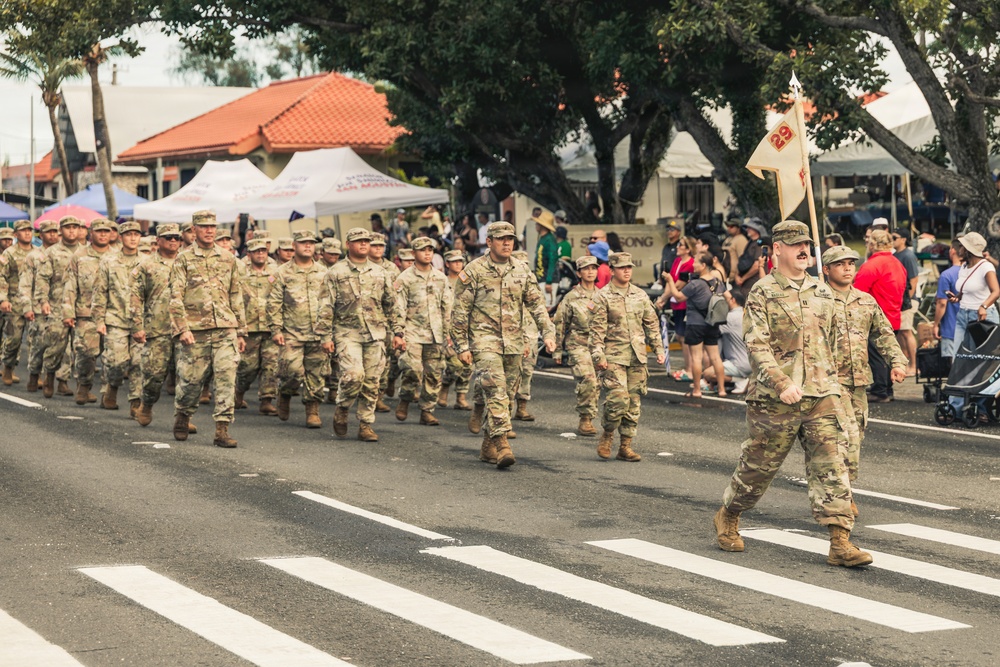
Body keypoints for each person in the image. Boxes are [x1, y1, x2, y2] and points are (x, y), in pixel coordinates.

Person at [713, 220, 871, 569]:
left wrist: (840, 387)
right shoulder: (762, 292)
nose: (803, 249)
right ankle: (730, 513)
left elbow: (833, 344)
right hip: (775, 399)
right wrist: (781, 383)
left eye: (806, 244)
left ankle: (840, 541)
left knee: (833, 465)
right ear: (777, 250)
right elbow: (756, 345)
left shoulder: (822, 292)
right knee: (759, 467)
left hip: (822, 394)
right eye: (795, 244)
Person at [451, 221, 556, 469]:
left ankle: (488, 446)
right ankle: (502, 446)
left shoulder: (521, 270)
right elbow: (459, 313)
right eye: (501, 239)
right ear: (489, 242)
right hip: (484, 342)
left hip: (514, 343)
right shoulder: (473, 271)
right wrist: (462, 346)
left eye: (510, 238)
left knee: (507, 397)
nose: (507, 243)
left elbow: (537, 305)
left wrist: (547, 333)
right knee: (496, 391)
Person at [823, 245, 906, 506]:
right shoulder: (817, 300)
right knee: (835, 440)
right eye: (840, 264)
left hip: (857, 383)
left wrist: (897, 362)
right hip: (827, 384)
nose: (848, 268)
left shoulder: (865, 301)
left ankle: (844, 490)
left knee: (854, 440)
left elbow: (882, 334)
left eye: (851, 263)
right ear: (826, 270)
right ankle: (838, 497)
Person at [168, 210, 247, 448]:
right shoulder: (183, 259)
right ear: (194, 230)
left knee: (226, 377)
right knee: (191, 382)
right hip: (195, 330)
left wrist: (241, 330)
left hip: (225, 328)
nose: (210, 230)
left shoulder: (228, 258)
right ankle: (183, 415)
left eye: (213, 226)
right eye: (204, 227)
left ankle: (222, 430)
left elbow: (236, 294)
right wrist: (182, 329)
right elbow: (175, 297)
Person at [324, 227, 404, 442]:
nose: (363, 244)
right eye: (358, 241)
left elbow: (392, 304)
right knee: (354, 375)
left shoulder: (381, 272)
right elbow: (326, 305)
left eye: (367, 241)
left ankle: (365, 424)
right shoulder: (336, 272)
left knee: (372, 381)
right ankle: (342, 407)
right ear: (348, 244)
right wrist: (325, 336)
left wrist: (398, 332)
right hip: (347, 333)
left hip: (376, 333)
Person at [590, 252, 666, 462]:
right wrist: (598, 354)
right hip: (613, 355)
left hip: (637, 356)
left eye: (629, 267)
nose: (626, 271)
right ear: (612, 270)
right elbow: (596, 330)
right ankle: (607, 434)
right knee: (618, 399)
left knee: (633, 402)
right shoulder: (602, 296)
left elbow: (651, 324)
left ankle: (625, 446)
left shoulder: (640, 295)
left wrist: (658, 350)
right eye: (622, 267)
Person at [268, 230, 332, 429]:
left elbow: (331, 302)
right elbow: (274, 303)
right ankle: (285, 394)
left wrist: (330, 332)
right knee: (292, 372)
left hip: (318, 333)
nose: (307, 246)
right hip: (291, 332)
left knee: (316, 374)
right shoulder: (282, 272)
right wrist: (276, 330)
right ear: (294, 246)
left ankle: (312, 410)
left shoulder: (324, 273)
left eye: (311, 243)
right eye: (303, 243)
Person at [394, 236, 452, 426]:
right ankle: (405, 397)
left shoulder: (440, 278)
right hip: (412, 331)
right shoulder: (405, 278)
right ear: (413, 253)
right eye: (422, 250)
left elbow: (447, 306)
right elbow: (399, 307)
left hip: (435, 333)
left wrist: (450, 332)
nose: (427, 253)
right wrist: (398, 332)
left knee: (434, 374)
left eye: (430, 250)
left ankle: (427, 410)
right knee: (412, 369)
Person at [131, 224, 183, 428]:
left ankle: (183, 416)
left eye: (176, 238)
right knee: (154, 376)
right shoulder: (146, 266)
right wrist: (137, 326)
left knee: (188, 377)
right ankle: (147, 404)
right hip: (157, 329)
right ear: (158, 241)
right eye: (168, 237)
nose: (173, 241)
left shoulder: (187, 262)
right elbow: (135, 297)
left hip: (184, 329)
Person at [946, 232, 1000, 419]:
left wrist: (983, 306)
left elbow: (996, 291)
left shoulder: (986, 267)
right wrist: (956, 297)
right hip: (964, 315)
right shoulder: (964, 267)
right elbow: (966, 290)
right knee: (959, 358)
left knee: (985, 361)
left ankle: (981, 405)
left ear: (969, 250)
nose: (958, 248)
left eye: (961, 246)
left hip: (983, 318)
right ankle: (956, 406)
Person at [92, 221, 144, 415]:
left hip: (141, 321)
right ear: (121, 237)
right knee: (116, 362)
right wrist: (98, 320)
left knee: (139, 362)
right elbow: (100, 291)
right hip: (115, 319)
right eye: (128, 234)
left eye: (136, 234)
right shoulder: (109, 261)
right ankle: (111, 388)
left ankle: (135, 401)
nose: (132, 238)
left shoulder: (147, 262)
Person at [63, 218, 114, 405]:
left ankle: (108, 393)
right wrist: (68, 312)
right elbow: (70, 286)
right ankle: (83, 386)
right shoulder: (79, 256)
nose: (102, 234)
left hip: (113, 315)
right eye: (98, 231)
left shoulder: (117, 256)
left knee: (113, 357)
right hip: (86, 313)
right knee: (86, 353)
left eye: (106, 231)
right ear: (90, 233)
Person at [662, 252, 728, 398]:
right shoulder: (718, 282)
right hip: (712, 322)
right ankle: (722, 389)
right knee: (715, 357)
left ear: (704, 265)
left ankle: (697, 390)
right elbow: (728, 297)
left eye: (696, 262)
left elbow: (678, 297)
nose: (693, 264)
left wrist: (670, 281)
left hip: (695, 323)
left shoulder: (695, 284)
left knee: (696, 358)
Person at [853, 229, 907, 403]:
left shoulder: (872, 265)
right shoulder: (897, 263)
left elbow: (857, 292)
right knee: (888, 352)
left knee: (876, 354)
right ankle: (887, 388)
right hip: (894, 314)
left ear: (872, 244)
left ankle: (880, 389)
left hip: (877, 316)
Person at [34, 216, 83, 399]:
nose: (72, 231)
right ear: (61, 230)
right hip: (57, 305)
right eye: (68, 228)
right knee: (57, 346)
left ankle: (67, 382)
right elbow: (42, 278)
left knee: (78, 348)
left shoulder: (85, 252)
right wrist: (43, 301)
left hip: (80, 307)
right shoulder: (51, 253)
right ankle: (49, 375)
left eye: (75, 227)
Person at [552, 255, 601, 435]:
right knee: (588, 379)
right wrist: (557, 350)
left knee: (597, 384)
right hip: (578, 344)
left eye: (593, 268)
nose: (590, 272)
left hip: (599, 346)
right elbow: (560, 323)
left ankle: (591, 414)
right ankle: (585, 419)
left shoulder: (602, 295)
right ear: (579, 273)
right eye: (586, 269)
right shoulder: (571, 297)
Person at [236, 237, 280, 416]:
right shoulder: (241, 272)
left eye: (263, 251)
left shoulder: (276, 272)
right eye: (256, 251)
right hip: (250, 327)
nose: (261, 254)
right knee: (248, 366)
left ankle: (267, 400)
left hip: (271, 326)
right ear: (249, 254)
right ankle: (238, 391)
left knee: (271, 365)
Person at [18, 220, 60, 392]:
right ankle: (34, 374)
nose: (52, 234)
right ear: (41, 235)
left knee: (60, 346)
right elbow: (25, 283)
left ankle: (56, 379)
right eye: (48, 232)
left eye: (55, 231)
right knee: (39, 344)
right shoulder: (33, 257)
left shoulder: (64, 255)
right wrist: (27, 307)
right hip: (38, 307)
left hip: (60, 307)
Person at [0, 220, 35, 385]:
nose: (27, 233)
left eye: (30, 230)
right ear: (16, 234)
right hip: (14, 302)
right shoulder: (9, 253)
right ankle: (8, 367)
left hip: (34, 303)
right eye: (23, 230)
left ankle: (36, 375)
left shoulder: (38, 253)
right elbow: (2, 277)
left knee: (36, 341)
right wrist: (3, 299)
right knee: (14, 339)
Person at [656, 236, 695, 381]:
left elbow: (677, 285)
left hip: (684, 302)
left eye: (681, 245)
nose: (677, 247)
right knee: (680, 336)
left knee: (683, 336)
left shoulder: (690, 263)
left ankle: (690, 369)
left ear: (688, 249)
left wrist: (662, 299)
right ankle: (688, 367)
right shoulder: (678, 261)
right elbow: (669, 280)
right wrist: (665, 297)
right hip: (675, 302)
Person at [369, 233, 401, 411]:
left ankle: (377, 396)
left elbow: (396, 297)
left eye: (381, 246)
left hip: (385, 321)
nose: (378, 249)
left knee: (384, 361)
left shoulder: (391, 268)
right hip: (363, 322)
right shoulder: (361, 266)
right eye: (374, 245)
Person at [438, 249, 473, 410]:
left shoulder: (467, 281)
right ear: (447, 264)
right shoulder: (441, 282)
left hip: (465, 328)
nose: (458, 264)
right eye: (454, 261)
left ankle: (461, 396)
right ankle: (444, 387)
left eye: (460, 261)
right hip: (446, 328)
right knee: (454, 364)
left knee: (468, 364)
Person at [702, 290, 751, 394]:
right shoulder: (746, 315)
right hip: (750, 361)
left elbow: (711, 330)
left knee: (708, 374)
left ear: (733, 300)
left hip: (739, 364)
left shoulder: (729, 318)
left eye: (725, 300)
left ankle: (740, 380)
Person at [892, 228, 920, 376]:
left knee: (907, 331)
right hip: (899, 301)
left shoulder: (908, 256)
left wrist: (906, 300)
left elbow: (914, 280)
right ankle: (906, 362)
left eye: (895, 237)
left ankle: (915, 366)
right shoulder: (895, 255)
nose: (892, 240)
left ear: (903, 239)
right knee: (900, 333)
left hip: (907, 301)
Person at [933, 240, 962, 359]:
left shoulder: (946, 275)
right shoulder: (973, 272)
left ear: (953, 251)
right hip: (971, 327)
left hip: (951, 327)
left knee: (954, 365)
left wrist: (935, 324)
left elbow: (942, 303)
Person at [533, 211, 559, 307]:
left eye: (537, 223)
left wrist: (549, 281)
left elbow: (553, 260)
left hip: (548, 280)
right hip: (541, 279)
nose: (536, 225)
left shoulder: (550, 239)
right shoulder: (542, 239)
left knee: (549, 307)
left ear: (542, 225)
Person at [735, 219, 765, 295]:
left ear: (756, 230)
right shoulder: (750, 242)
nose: (747, 230)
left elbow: (756, 265)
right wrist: (737, 275)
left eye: (750, 228)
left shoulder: (759, 244)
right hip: (746, 284)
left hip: (753, 284)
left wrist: (742, 279)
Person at [721, 219, 748, 283]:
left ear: (738, 228)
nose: (728, 228)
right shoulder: (728, 239)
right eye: (727, 226)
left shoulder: (741, 239)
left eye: (731, 226)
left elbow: (742, 259)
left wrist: (737, 274)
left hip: (734, 278)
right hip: (726, 275)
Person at [657, 219, 682, 286]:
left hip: (675, 280)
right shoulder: (666, 247)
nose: (669, 231)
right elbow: (663, 262)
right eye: (668, 229)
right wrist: (660, 277)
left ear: (678, 232)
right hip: (665, 279)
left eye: (672, 229)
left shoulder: (680, 246)